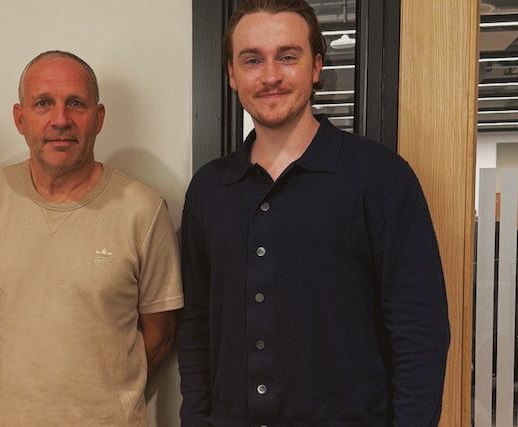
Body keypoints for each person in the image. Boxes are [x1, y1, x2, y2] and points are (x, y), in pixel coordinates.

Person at [177, 1, 450, 426]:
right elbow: (195, 326)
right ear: (232, 75)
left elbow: (420, 329)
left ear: (316, 66)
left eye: (288, 56)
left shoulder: (380, 177)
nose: (270, 76)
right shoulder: (209, 189)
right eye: (252, 60)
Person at [0, 51, 183, 426]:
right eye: (43, 104)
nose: (60, 120)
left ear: (98, 118)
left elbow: (160, 337)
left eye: (75, 103)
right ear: (20, 118)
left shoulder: (143, 210)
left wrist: (108, 398)